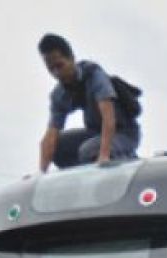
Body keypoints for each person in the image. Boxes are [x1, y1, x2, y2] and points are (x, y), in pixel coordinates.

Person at [37, 34, 141, 171]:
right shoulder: (59, 94)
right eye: (51, 69)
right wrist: (41, 172)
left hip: (123, 133)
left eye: (60, 66)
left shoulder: (95, 76)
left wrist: (103, 156)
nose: (57, 73)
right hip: (95, 134)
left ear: (72, 59)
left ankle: (126, 159)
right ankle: (83, 174)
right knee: (58, 147)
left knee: (90, 150)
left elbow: (109, 118)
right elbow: (51, 134)